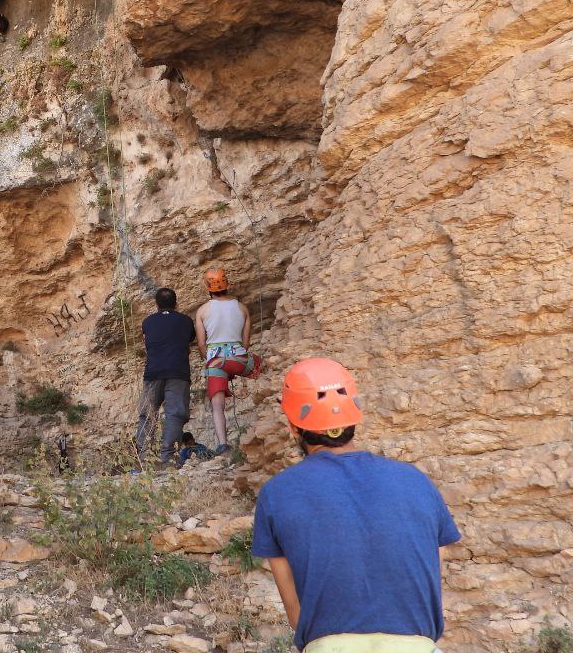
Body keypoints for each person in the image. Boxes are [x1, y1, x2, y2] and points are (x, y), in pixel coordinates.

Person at [251, 358, 461, 653]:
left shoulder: (277, 493)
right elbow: (428, 584)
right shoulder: (417, 482)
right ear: (355, 415)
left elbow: (297, 614)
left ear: (293, 427)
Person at [194, 266, 255, 453]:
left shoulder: (202, 311)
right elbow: (246, 343)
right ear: (227, 284)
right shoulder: (242, 308)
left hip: (216, 360)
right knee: (265, 368)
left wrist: (214, 359)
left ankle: (223, 444)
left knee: (217, 404)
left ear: (208, 287)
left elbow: (202, 345)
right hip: (239, 358)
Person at [135, 286, 197, 465]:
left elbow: (147, 341)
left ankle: (143, 459)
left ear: (156, 305)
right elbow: (189, 339)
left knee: (147, 415)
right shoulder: (185, 321)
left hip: (153, 372)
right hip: (178, 373)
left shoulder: (147, 322)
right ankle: (168, 459)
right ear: (176, 304)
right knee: (174, 414)